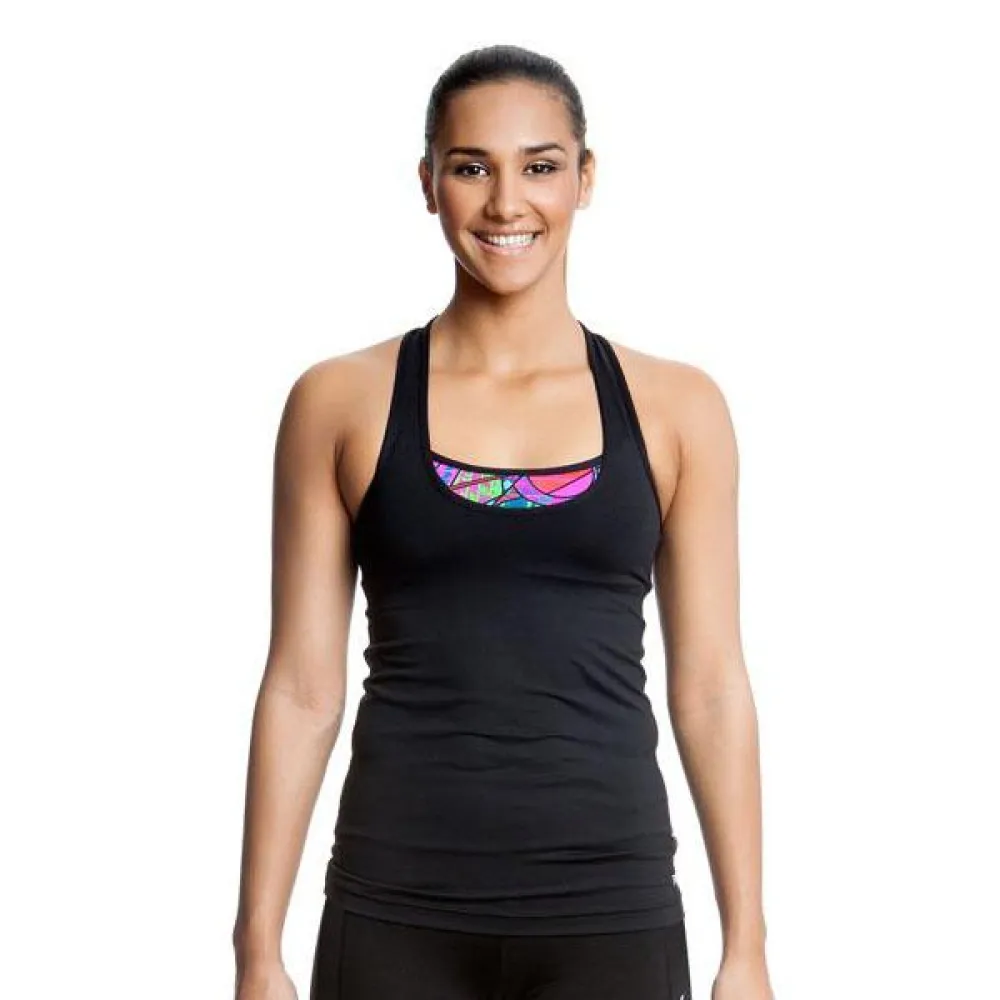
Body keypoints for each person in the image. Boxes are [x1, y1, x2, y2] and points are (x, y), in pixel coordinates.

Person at [232, 44, 773, 1000]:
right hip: (394, 905)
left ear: (585, 178)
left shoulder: (677, 409)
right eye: (472, 167)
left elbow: (712, 688)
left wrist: (748, 948)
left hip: (610, 909)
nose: (507, 203)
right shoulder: (340, 402)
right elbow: (302, 690)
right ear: (428, 183)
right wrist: (256, 949)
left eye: (541, 166)